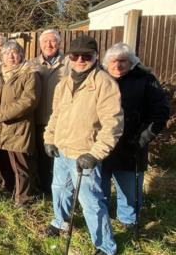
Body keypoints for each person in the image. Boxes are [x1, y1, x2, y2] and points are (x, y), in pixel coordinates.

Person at [43, 35, 123, 255]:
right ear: (69, 57)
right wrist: (49, 138)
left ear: (95, 57)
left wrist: (95, 154)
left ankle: (105, 246)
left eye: (85, 56)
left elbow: (113, 125)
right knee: (59, 190)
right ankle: (61, 221)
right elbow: (55, 115)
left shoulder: (105, 84)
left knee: (91, 202)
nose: (80, 60)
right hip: (61, 150)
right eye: (75, 55)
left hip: (84, 154)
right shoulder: (64, 83)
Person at [101, 43, 169, 229]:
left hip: (131, 144)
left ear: (131, 62)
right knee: (100, 185)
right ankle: (101, 215)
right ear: (106, 63)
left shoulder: (145, 80)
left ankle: (128, 220)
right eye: (113, 61)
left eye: (123, 61)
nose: (118, 65)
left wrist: (143, 137)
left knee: (130, 188)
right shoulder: (100, 78)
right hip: (103, 143)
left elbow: (161, 111)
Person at [0, 41, 41, 206]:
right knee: (5, 162)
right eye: (7, 53)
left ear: (21, 55)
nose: (11, 56)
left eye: (15, 52)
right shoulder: (0, 74)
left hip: (19, 126)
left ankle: (24, 199)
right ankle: (10, 189)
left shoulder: (29, 73)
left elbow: (29, 101)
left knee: (21, 165)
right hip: (1, 126)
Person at [31, 29, 68, 196]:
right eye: (45, 42)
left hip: (61, 120)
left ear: (59, 43)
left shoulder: (69, 63)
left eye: (52, 41)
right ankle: (44, 188)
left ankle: (61, 190)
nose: (49, 45)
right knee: (41, 157)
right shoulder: (32, 64)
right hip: (38, 119)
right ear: (39, 45)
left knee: (59, 158)